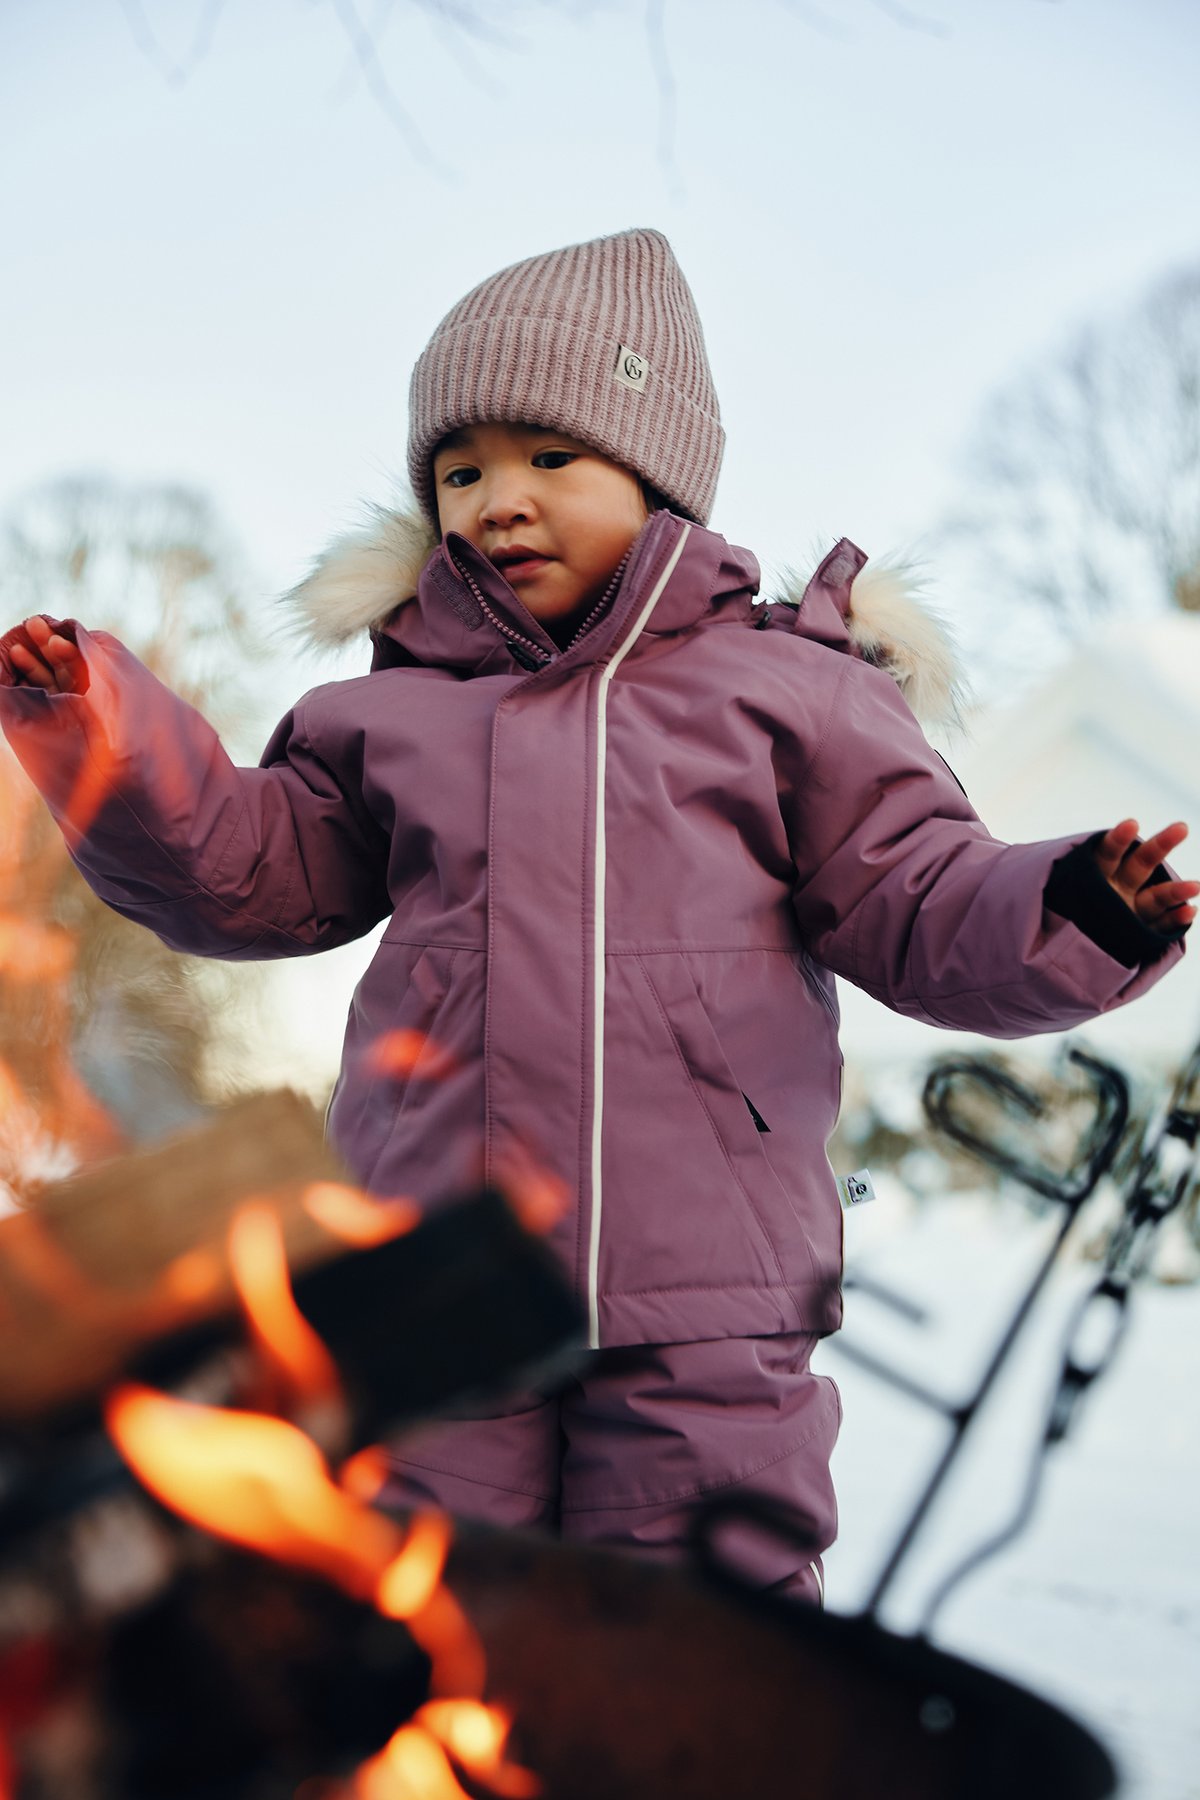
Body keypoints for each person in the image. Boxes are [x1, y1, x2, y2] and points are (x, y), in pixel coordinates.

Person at [1, 229, 1193, 1607]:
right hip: (442, 1269)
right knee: (437, 1600)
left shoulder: (786, 694)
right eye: (461, 472)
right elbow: (248, 867)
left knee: (695, 1632)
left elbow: (918, 891)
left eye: (551, 457)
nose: (498, 502)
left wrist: (1076, 906)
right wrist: (104, 739)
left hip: (708, 1293)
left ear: (655, 475)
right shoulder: (393, 716)